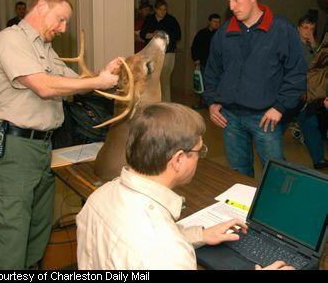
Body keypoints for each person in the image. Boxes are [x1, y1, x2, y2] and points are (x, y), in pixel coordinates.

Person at [76, 102, 294, 270]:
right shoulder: (169, 254)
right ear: (178, 159)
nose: (200, 157)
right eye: (199, 151)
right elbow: (159, 249)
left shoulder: (99, 197)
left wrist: (199, 235)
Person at [0, 0, 120, 270]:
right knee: (11, 230)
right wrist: (97, 80)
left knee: (38, 225)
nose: (63, 29)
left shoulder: (45, 49)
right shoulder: (10, 40)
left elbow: (77, 81)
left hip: (44, 147)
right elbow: (45, 86)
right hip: (15, 148)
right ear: (40, 7)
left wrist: (102, 75)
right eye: (61, 20)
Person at [203, 0, 307, 177]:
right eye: (228, 1)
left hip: (265, 117)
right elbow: (212, 70)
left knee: (275, 174)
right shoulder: (224, 31)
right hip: (230, 117)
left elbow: (297, 72)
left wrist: (280, 107)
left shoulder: (281, 29)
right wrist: (212, 101)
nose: (232, 6)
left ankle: (278, 208)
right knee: (238, 173)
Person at [282, 16, 327, 170]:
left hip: (308, 95)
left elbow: (318, 67)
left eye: (312, 28)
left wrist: (314, 43)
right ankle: (273, 158)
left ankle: (319, 159)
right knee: (278, 128)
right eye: (306, 27)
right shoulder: (291, 44)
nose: (308, 31)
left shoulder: (311, 46)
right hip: (292, 94)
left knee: (311, 126)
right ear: (298, 27)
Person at [140, 0, 181, 102]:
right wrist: (152, 34)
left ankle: (166, 105)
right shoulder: (150, 19)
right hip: (152, 53)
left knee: (164, 80)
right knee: (151, 79)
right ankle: (153, 104)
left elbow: (177, 35)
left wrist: (162, 34)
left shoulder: (171, 20)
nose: (163, 12)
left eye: (165, 9)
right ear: (156, 9)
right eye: (161, 9)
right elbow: (142, 34)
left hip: (167, 53)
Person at [191, 13, 221, 109]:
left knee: (215, 84)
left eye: (218, 22)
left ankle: (214, 104)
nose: (217, 24)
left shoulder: (221, 34)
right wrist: (196, 59)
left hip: (217, 64)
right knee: (202, 83)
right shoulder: (202, 33)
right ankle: (203, 102)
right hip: (204, 62)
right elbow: (194, 46)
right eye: (214, 21)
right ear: (209, 22)